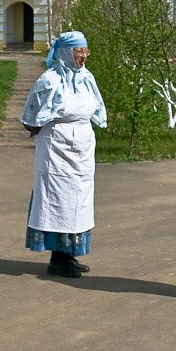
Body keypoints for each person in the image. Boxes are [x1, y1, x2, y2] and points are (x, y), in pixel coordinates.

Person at [20, 31, 108, 277]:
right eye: (79, 51)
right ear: (65, 53)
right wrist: (52, 129)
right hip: (56, 150)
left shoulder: (86, 78)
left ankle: (70, 254)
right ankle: (57, 258)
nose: (83, 56)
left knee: (79, 201)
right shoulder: (49, 80)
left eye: (86, 51)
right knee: (58, 200)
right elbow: (29, 116)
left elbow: (97, 109)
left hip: (82, 148)